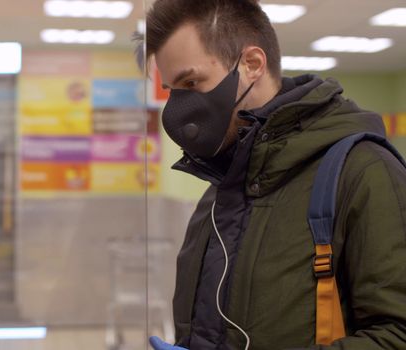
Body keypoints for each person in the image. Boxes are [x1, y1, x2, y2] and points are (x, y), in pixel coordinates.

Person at [139, 0, 406, 349]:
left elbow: (398, 334)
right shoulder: (220, 191)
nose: (180, 110)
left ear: (251, 64)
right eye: (173, 90)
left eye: (192, 81)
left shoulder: (362, 171)